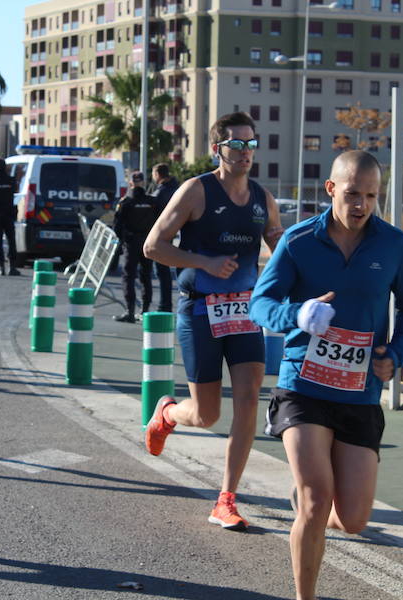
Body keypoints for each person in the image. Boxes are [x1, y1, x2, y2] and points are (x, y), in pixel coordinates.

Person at [248, 150, 403, 600]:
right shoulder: (298, 240)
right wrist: (299, 314)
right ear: (330, 190)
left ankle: (312, 503)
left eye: (371, 195)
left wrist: (397, 352)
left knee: (355, 519)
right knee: (315, 498)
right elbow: (260, 304)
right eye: (352, 194)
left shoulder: (393, 244)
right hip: (303, 383)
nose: (361, 204)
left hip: (360, 389)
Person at [143, 111, 283, 530]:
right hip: (200, 309)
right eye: (236, 144)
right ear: (217, 148)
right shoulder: (195, 192)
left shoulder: (262, 198)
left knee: (247, 397)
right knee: (206, 415)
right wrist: (203, 261)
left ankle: (227, 498)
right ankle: (167, 413)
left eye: (251, 144)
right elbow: (153, 246)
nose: (244, 152)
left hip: (243, 312)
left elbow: (279, 244)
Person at [113, 171, 158, 322]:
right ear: (143, 183)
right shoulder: (152, 201)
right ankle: (145, 310)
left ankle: (130, 311)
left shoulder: (126, 202)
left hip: (131, 243)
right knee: (146, 276)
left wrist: (118, 245)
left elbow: (117, 226)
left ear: (130, 183)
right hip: (147, 243)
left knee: (129, 276)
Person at [150, 163, 179, 312]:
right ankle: (165, 304)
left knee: (161, 270)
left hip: (162, 234)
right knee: (164, 270)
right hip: (171, 232)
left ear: (158, 174)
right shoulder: (175, 188)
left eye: (153, 174)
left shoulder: (162, 192)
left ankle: (164, 305)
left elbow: (155, 211)